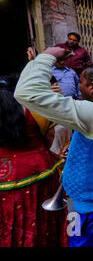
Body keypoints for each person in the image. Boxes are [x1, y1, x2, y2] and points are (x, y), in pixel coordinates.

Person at [14, 47, 93, 247]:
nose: (77, 86)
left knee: (79, 241)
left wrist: (48, 56)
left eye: (80, 82)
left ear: (92, 86)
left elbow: (26, 92)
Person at [0, 79, 67, 247]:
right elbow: (50, 139)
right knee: (45, 223)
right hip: (39, 173)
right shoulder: (34, 110)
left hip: (4, 181)